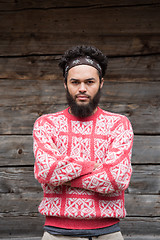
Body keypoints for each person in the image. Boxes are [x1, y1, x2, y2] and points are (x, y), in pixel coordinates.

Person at [33, 45, 134, 240]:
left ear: (101, 83)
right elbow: (47, 171)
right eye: (75, 82)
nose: (82, 89)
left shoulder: (118, 125)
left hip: (108, 233)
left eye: (89, 82)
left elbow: (116, 179)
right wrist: (92, 166)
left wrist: (63, 176)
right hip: (57, 234)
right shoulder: (46, 124)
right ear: (65, 84)